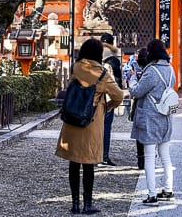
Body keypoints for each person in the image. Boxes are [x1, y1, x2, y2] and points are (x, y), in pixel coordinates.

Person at [55, 38, 124, 214]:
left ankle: (75, 204)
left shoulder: (76, 68)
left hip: (71, 120)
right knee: (88, 164)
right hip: (90, 123)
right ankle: (87, 204)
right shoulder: (102, 74)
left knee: (73, 163)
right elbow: (118, 95)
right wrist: (108, 107)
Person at [129, 39, 175, 205]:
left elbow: (137, 91)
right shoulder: (170, 69)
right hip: (166, 117)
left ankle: (152, 194)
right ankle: (168, 190)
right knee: (165, 156)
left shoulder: (152, 71)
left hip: (151, 118)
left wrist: (132, 79)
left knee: (149, 157)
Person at [100, 32, 123, 166]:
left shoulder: (95, 57)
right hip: (108, 97)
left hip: (94, 98)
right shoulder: (113, 60)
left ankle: (92, 155)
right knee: (106, 127)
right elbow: (118, 83)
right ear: (112, 43)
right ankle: (104, 156)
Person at [126, 47, 148, 169]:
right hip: (152, 106)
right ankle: (148, 156)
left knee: (139, 133)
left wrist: (133, 77)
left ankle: (141, 158)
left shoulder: (137, 71)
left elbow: (134, 90)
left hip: (139, 104)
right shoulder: (152, 70)